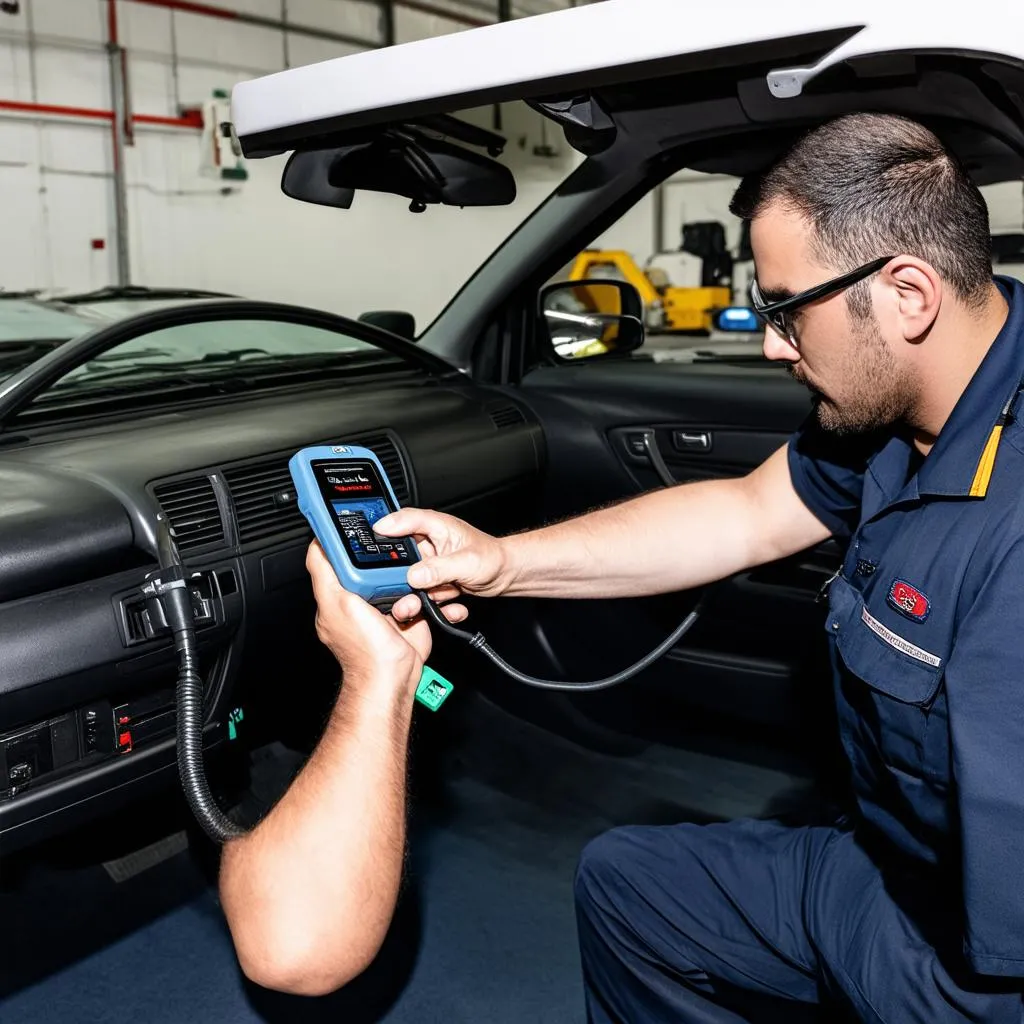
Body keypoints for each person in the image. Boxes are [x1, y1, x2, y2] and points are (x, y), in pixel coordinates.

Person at [219, 111, 1024, 1021]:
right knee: (627, 882)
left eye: (786, 309)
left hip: (974, 965)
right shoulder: (907, 409)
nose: (770, 344)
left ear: (910, 293)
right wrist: (500, 561)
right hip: (889, 867)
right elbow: (747, 511)